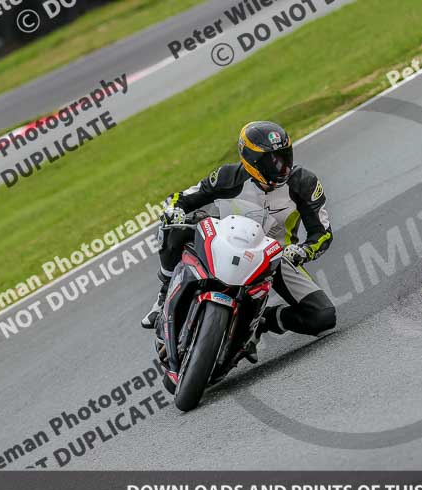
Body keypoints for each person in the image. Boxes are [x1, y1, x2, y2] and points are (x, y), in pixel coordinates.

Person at [141, 121, 336, 343]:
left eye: (284, 156)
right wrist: (172, 210)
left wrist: (302, 251)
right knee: (174, 227)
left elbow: (322, 233)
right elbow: (182, 198)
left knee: (323, 317)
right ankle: (165, 292)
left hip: (275, 259)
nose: (282, 167)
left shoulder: (304, 183)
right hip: (222, 246)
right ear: (251, 162)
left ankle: (263, 321)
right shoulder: (228, 177)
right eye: (272, 161)